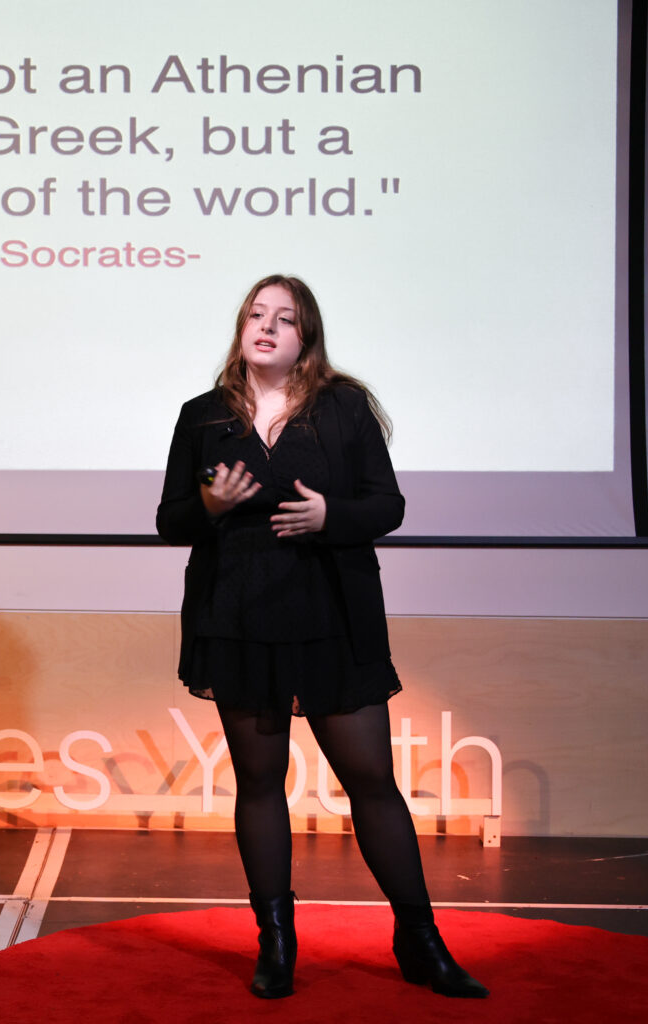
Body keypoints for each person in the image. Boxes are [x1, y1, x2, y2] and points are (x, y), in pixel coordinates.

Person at [155, 275, 487, 1000]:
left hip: (332, 615)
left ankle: (420, 940)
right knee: (259, 783)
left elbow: (387, 506)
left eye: (284, 318)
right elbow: (170, 520)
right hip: (238, 617)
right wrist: (210, 502)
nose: (266, 326)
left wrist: (330, 516)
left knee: (371, 780)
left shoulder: (342, 407)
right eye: (256, 314)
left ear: (306, 336)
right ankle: (276, 944)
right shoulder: (203, 415)